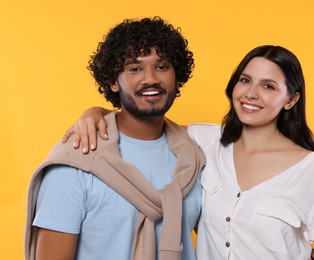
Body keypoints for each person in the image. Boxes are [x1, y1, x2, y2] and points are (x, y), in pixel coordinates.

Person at [65, 45, 314, 259]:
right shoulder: (204, 141)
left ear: (291, 99)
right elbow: (143, 118)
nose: (251, 94)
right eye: (245, 80)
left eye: (268, 86)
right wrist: (94, 112)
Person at [25, 17, 207, 260]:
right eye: (134, 68)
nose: (150, 78)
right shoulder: (78, 160)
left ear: (177, 76)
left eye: (162, 66)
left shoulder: (195, 156)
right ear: (113, 81)